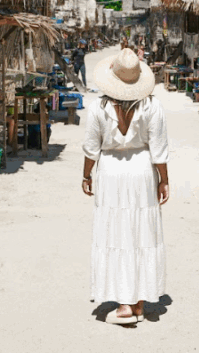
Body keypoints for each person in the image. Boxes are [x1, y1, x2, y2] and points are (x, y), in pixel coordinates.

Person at [82, 48, 169, 326]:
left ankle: (124, 305)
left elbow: (91, 149)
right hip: (141, 172)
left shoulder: (98, 107)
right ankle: (140, 302)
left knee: (118, 233)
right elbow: (159, 149)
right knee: (141, 232)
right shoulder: (152, 106)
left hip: (111, 174)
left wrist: (86, 175)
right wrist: (164, 179)